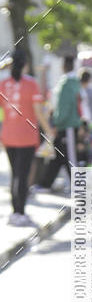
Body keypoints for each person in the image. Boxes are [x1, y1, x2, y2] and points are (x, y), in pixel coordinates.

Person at [0, 48, 54, 226]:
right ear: (26, 64)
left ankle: (15, 211)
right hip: (27, 136)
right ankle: (20, 212)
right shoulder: (31, 84)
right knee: (22, 176)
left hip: (8, 135)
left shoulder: (3, 84)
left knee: (15, 174)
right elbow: (39, 112)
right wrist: (49, 130)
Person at [38, 55, 82, 190]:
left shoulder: (66, 83)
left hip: (66, 125)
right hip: (69, 124)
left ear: (64, 66)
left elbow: (63, 107)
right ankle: (46, 183)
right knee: (59, 156)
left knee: (69, 156)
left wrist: (56, 123)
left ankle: (78, 186)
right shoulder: (75, 82)